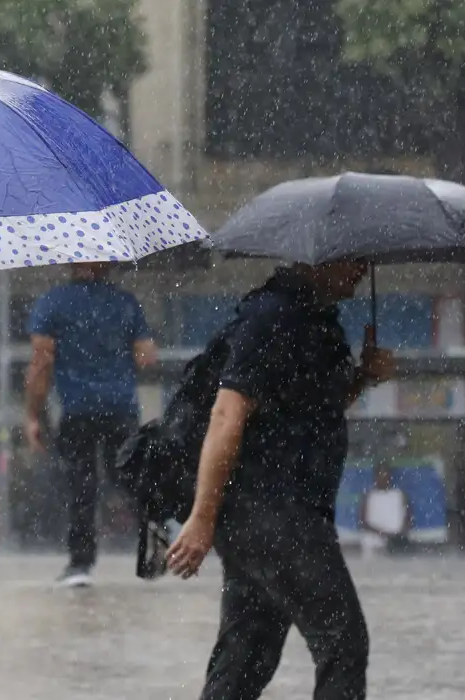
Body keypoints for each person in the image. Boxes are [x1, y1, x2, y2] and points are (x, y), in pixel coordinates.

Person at [166, 261, 395, 700]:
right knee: (343, 642)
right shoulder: (272, 316)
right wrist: (201, 518)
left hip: (281, 512)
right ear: (317, 259)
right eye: (353, 258)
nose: (363, 269)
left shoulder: (316, 320)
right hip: (273, 513)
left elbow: (311, 412)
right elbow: (226, 414)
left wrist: (363, 377)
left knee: (246, 660)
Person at [24, 262, 157, 587]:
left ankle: (80, 563)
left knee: (80, 486)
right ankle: (156, 538)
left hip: (77, 409)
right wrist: (113, 359)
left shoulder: (52, 303)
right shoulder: (125, 303)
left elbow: (41, 363)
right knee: (127, 477)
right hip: (121, 407)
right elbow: (146, 357)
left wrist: (33, 414)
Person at [359, 465, 411, 559]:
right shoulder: (369, 496)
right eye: (380, 475)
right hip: (374, 539)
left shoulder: (400, 495)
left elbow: (408, 519)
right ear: (375, 477)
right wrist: (382, 533)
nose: (383, 478)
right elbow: (363, 522)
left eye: (385, 475)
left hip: (396, 539)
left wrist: (398, 534)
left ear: (390, 476)